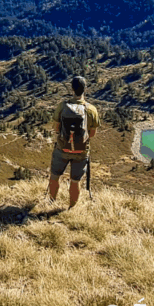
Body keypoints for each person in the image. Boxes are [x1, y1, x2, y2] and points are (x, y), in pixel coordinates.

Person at [48, 75, 99, 208]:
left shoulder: (62, 106)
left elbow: (56, 128)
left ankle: (51, 202)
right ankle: (71, 208)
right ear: (85, 89)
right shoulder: (91, 109)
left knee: (54, 176)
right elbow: (92, 134)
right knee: (75, 181)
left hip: (61, 148)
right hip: (81, 151)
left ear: (71, 89)